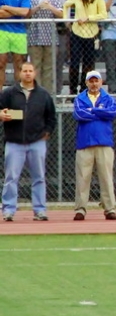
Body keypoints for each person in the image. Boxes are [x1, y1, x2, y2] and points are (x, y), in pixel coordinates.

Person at [0, 63, 56, 221]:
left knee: (39, 177)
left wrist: (47, 133)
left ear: (35, 73)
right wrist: (1, 114)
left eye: (30, 71)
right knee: (11, 178)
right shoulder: (9, 93)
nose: (28, 74)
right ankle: (9, 210)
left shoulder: (43, 95)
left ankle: (40, 210)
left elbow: (51, 117)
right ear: (19, 73)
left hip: (36, 142)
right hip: (14, 142)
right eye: (25, 71)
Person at [72, 70, 116, 220]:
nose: (93, 84)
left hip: (104, 142)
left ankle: (109, 208)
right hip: (85, 143)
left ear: (101, 82)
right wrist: (100, 112)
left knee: (106, 177)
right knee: (82, 177)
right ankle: (81, 208)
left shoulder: (108, 98)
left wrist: (92, 111)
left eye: (96, 81)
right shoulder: (79, 98)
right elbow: (79, 114)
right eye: (91, 81)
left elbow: (112, 113)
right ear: (86, 83)